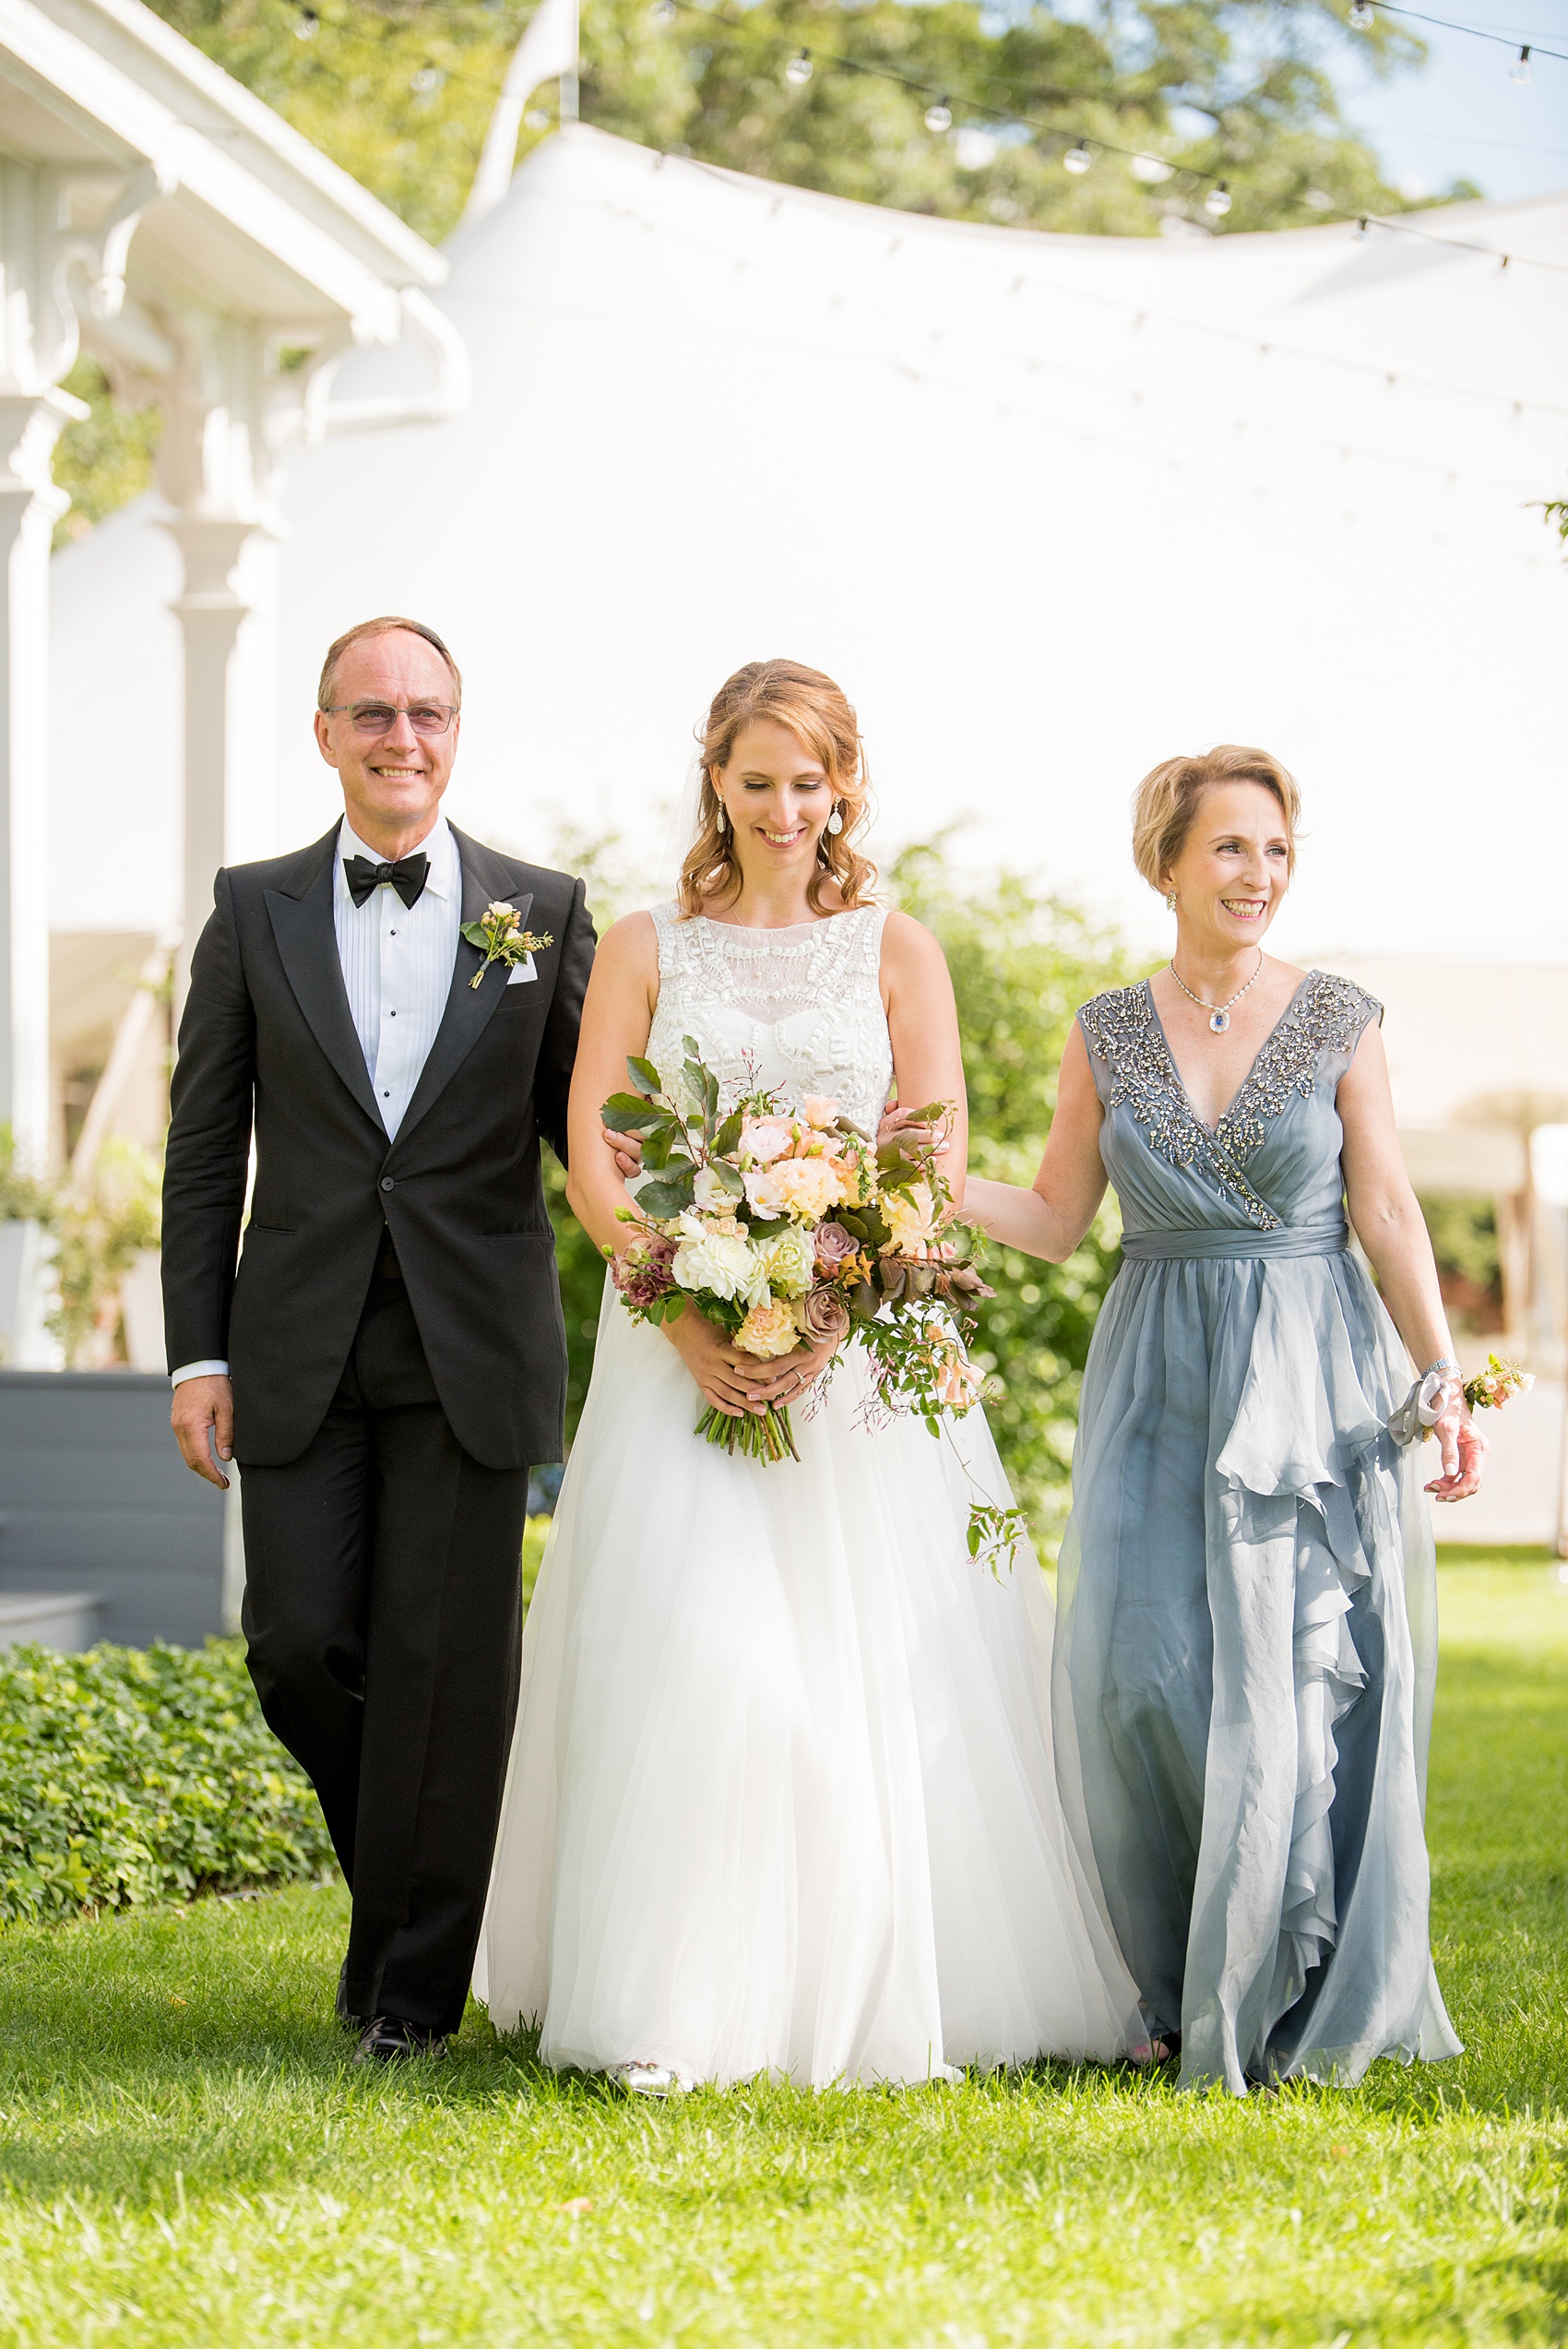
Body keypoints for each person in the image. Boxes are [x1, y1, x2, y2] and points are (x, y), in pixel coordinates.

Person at [475, 659, 1146, 2093]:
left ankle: (895, 1978)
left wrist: (829, 1297)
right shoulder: (652, 943)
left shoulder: (896, 948)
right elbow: (599, 1154)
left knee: (881, 1670)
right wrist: (683, 1311)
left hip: (868, 1364)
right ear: (714, 776)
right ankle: (680, 1997)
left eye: (810, 780)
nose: (785, 807)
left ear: (846, 783)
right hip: (678, 1354)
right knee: (695, 1655)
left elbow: (931, 1155)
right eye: (757, 778)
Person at [964, 745, 1485, 2095]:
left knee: (1288, 1691)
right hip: (1154, 1376)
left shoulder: (1339, 1017)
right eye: (1231, 849)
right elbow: (1056, 1213)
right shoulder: (1104, 1028)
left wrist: (1443, 1377)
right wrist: (919, 1180)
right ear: (1169, 861)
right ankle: (1165, 1971)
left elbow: (1385, 1209)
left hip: (1311, 1375)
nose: (1257, 875)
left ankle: (1279, 1985)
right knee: (1141, 1676)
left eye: (1276, 851)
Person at [161, 616, 594, 2062]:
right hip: (294, 1345)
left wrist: (709, 1262)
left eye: (424, 712)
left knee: (447, 1669)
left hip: (473, 1346)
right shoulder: (254, 907)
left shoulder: (545, 907)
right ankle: (410, 1894)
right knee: (297, 1647)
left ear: (457, 729)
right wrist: (195, 1352)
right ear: (326, 732)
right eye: (371, 713)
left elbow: (588, 1141)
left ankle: (404, 1997)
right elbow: (203, 1148)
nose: (399, 736)